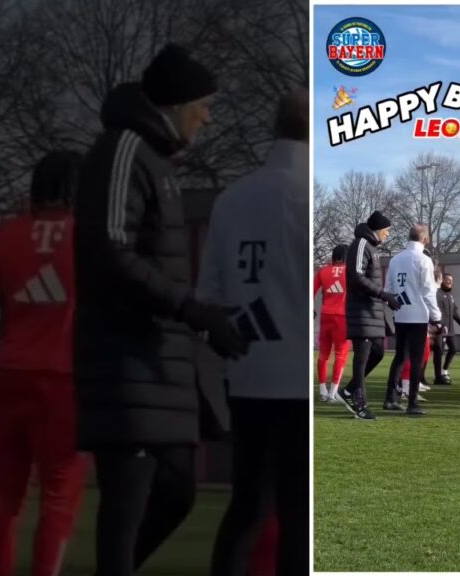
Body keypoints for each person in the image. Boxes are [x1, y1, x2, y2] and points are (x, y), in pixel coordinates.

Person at [74, 44, 249, 575]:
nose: (208, 116)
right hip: (124, 362)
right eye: (203, 104)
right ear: (175, 105)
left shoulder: (156, 163)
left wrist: (197, 316)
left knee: (178, 492)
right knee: (125, 510)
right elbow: (109, 250)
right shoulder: (121, 150)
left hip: (158, 362)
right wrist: (192, 308)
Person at [199, 90, 309, 576]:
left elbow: (210, 294)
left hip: (247, 371)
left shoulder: (232, 197)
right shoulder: (310, 191)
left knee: (246, 507)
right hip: (295, 378)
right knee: (296, 516)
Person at [0, 151, 88, 576]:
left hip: (11, 375)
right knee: (59, 495)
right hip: (65, 379)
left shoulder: (5, 235)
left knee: (5, 497)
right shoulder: (86, 237)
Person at [338, 211, 401, 421]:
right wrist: (383, 294)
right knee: (362, 357)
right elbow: (355, 277)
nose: (388, 235)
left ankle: (348, 392)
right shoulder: (361, 244)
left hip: (372, 311)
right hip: (361, 311)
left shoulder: (371, 248)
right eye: (387, 231)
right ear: (378, 229)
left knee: (378, 353)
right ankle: (360, 404)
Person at [382, 225, 442, 416]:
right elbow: (428, 290)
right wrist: (437, 316)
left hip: (400, 313)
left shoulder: (395, 259)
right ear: (424, 239)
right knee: (416, 359)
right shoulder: (423, 260)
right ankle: (413, 402)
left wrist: (395, 306)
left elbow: (388, 287)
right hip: (418, 315)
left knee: (400, 356)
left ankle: (391, 398)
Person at [314, 244, 351, 402]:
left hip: (325, 316)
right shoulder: (351, 272)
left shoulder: (323, 271)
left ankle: (322, 389)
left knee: (323, 354)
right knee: (341, 355)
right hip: (343, 317)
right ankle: (333, 392)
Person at [433, 272, 460, 385]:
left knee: (453, 349)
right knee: (439, 352)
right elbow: (436, 312)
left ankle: (444, 371)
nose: (450, 282)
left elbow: (454, 312)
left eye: (451, 281)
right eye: (448, 280)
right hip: (441, 329)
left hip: (450, 330)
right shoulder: (437, 294)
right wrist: (439, 325)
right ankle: (437, 377)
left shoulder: (450, 295)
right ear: (442, 281)